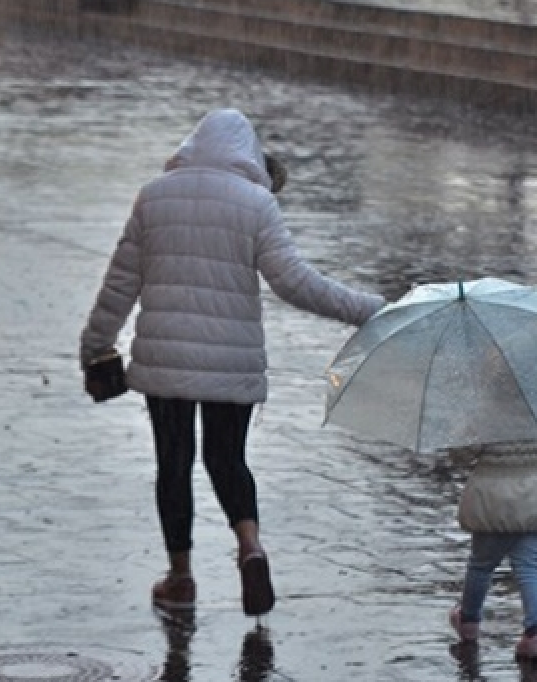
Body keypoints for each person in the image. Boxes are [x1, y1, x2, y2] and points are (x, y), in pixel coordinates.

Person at [79, 108, 385, 617]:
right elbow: (295, 282)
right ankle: (250, 547)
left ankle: (180, 579)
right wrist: (369, 310)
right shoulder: (256, 203)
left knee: (173, 465)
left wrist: (95, 346)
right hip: (231, 359)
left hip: (166, 358)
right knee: (227, 458)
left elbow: (119, 285)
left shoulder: (154, 196)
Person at [448, 439, 537, 659]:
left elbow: (461, 454)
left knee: (481, 565)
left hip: (492, 498)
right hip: (532, 496)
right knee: (529, 568)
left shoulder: (484, 413)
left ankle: (469, 621)